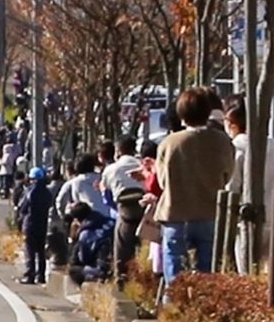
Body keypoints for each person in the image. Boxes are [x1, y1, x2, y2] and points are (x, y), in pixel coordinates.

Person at [155, 87, 235, 285]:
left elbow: (162, 180)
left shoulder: (169, 143)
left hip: (175, 213)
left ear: (181, 114)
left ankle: (174, 307)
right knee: (207, 272)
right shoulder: (222, 141)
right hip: (209, 212)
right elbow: (228, 174)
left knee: (175, 269)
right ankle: (203, 308)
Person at [223, 102, 274, 274]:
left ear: (232, 124)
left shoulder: (236, 148)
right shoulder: (271, 145)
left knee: (248, 273)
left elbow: (232, 186)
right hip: (272, 215)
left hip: (247, 217)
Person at [101, 136, 146, 284]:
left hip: (125, 209)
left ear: (118, 151)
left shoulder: (111, 169)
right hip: (145, 209)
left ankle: (121, 276)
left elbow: (106, 190)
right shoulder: (142, 165)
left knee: (121, 243)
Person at [16, 167, 53, 284]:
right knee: (41, 250)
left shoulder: (30, 191)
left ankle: (30, 275)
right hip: (42, 223)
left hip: (30, 222)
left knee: (30, 250)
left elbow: (22, 206)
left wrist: (19, 217)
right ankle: (41, 275)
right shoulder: (47, 192)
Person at [65, 202, 115, 287]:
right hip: (121, 264)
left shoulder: (85, 234)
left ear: (77, 220)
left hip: (103, 270)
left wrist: (74, 238)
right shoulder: (111, 221)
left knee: (73, 270)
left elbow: (84, 259)